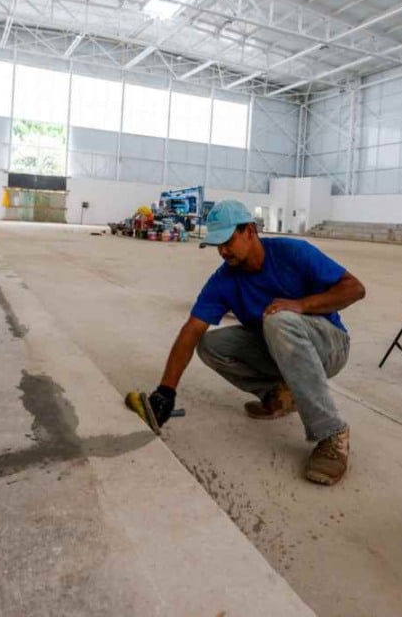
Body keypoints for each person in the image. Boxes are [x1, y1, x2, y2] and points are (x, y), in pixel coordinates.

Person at [143, 199, 366, 485]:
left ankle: (332, 434)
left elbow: (355, 289)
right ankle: (279, 395)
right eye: (217, 245)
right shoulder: (224, 280)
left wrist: (302, 304)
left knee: (279, 318)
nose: (223, 251)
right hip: (281, 347)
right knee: (211, 345)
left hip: (330, 346)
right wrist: (166, 391)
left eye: (227, 241)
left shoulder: (292, 252)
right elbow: (191, 331)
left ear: (250, 231)